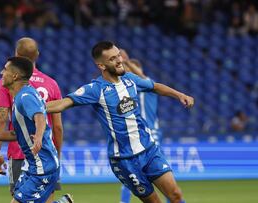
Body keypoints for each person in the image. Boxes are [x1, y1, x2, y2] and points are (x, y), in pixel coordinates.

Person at [46, 41, 194, 203]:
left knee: (175, 195)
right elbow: (62, 103)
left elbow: (155, 86)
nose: (119, 60)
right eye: (112, 59)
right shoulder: (95, 89)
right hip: (124, 160)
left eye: (118, 56)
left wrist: (180, 95)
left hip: (149, 150)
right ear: (101, 66)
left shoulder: (130, 79)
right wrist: (32, 108)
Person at [0, 57, 73, 203]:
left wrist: (39, 137)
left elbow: (40, 117)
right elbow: (16, 133)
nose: (1, 72)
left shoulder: (25, 96)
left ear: (15, 76)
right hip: (33, 165)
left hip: (42, 167)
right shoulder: (21, 97)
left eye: (5, 70)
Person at [0, 37, 63, 202]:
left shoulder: (11, 80)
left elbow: (2, 117)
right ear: (37, 55)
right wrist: (57, 157)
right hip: (46, 154)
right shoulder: (52, 84)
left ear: (16, 54)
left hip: (19, 152)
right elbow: (58, 127)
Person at [119, 49, 163, 203]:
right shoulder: (129, 88)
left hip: (152, 131)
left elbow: (142, 76)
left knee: (159, 170)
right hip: (136, 133)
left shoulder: (148, 84)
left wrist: (125, 61)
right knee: (132, 171)